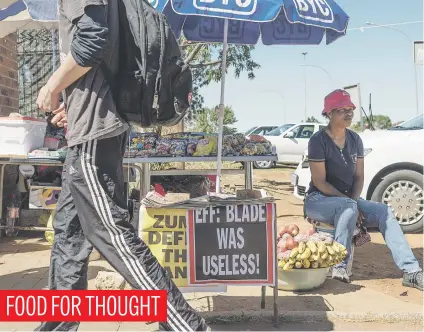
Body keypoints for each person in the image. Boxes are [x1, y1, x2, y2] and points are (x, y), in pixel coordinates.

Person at [35, 1, 210, 331]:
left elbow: (92, 39)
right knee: (69, 237)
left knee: (113, 235)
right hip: (89, 128)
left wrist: (51, 87)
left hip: (92, 134)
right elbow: (101, 58)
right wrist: (69, 102)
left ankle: (186, 325)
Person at [304, 89, 423, 290]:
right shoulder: (318, 141)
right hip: (318, 200)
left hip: (347, 201)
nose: (348, 113)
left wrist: (354, 201)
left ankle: (411, 271)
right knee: (348, 208)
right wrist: (351, 204)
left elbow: (359, 177)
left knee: (384, 212)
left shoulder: (355, 140)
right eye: (342, 110)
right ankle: (338, 267)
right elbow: (320, 181)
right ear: (329, 114)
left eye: (350, 109)